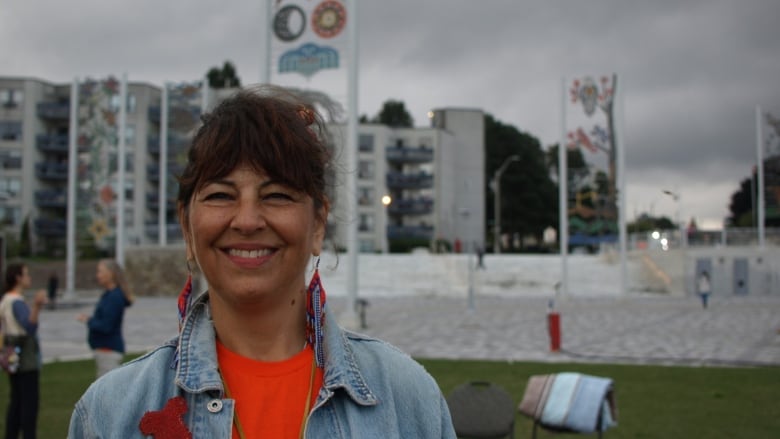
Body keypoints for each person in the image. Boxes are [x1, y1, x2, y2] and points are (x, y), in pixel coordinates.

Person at [69, 86, 456, 438]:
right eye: (221, 195)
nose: (248, 220)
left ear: (318, 223)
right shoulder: (111, 413)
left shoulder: (408, 400)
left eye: (277, 196)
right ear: (187, 225)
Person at [1, 262, 48, 439]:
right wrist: (36, 306)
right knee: (29, 403)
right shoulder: (17, 302)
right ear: (18, 278)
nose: (29, 278)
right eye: (26, 274)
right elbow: (29, 327)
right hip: (25, 357)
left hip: (11, 354)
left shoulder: (5, 299)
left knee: (16, 401)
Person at [76, 259, 134, 378]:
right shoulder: (109, 295)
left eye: (100, 272)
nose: (98, 275)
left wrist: (88, 321)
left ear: (111, 274)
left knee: (106, 393)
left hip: (108, 350)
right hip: (104, 350)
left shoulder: (114, 297)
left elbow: (106, 325)